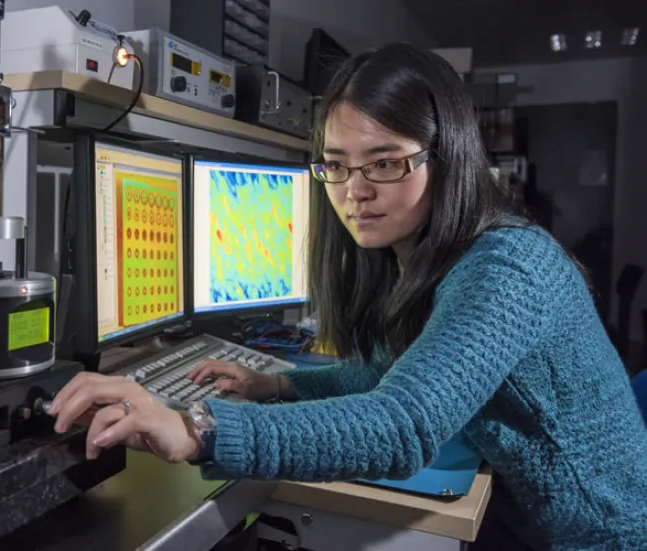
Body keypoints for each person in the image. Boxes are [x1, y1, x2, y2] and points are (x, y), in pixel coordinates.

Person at [50, 43, 647, 550]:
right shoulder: (423, 255)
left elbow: (401, 426)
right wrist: (281, 385)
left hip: (601, 535)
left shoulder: (508, 266)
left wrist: (195, 428)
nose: (354, 191)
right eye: (336, 166)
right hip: (530, 519)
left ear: (448, 158)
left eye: (385, 163)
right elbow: (396, 375)